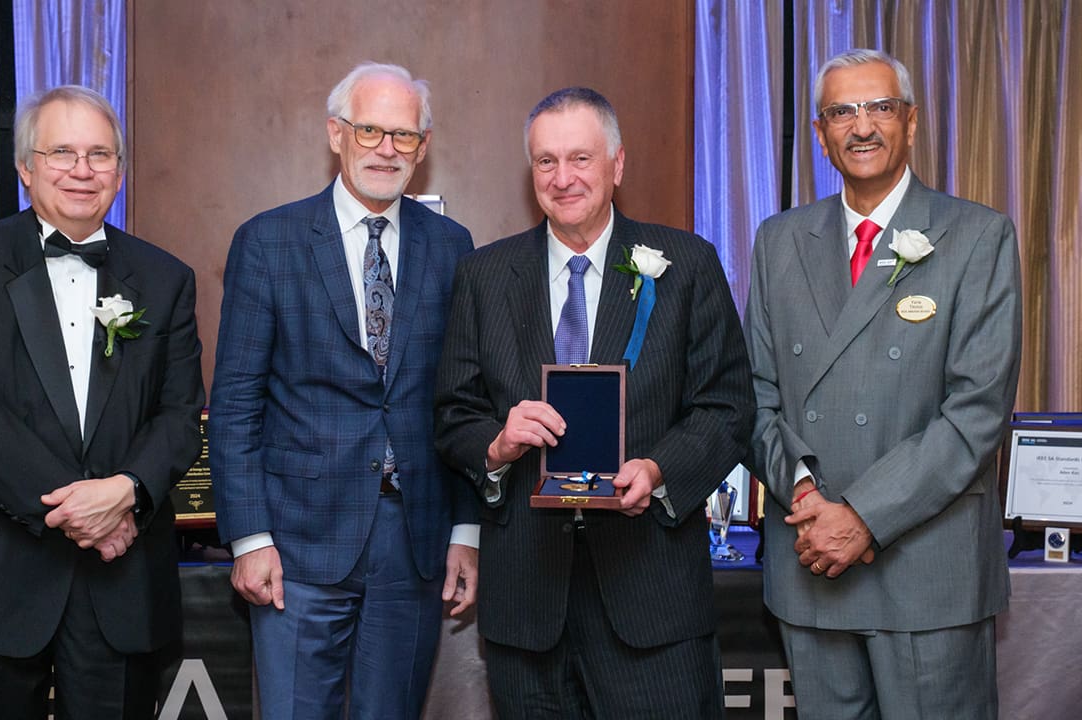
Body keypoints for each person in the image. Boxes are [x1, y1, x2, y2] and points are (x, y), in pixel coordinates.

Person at [434, 87, 755, 719]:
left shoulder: (686, 264)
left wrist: (660, 469)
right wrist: (496, 444)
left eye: (580, 158)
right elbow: (453, 414)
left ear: (617, 165)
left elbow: (727, 407)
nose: (563, 177)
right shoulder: (485, 275)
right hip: (528, 604)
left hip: (652, 596)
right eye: (546, 161)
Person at [0, 84, 205, 718]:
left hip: (120, 583)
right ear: (25, 167)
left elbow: (180, 415)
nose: (81, 170)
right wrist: (83, 509)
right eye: (61, 152)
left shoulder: (166, 278)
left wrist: (126, 489)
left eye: (100, 155)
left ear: (119, 172)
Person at [746, 48, 1021, 719]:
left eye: (879, 107)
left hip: (927, 573)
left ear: (912, 122)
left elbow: (976, 414)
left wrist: (863, 516)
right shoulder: (779, 240)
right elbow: (753, 392)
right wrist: (807, 493)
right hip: (812, 562)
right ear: (820, 133)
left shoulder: (978, 237)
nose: (861, 126)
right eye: (842, 111)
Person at [210, 62, 480, 720]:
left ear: (424, 146)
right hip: (296, 545)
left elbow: (466, 400)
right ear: (336, 134)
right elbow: (236, 407)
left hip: (412, 543)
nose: (387, 149)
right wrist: (248, 538)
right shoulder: (268, 241)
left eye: (404, 135)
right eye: (369, 131)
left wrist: (466, 529)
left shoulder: (453, 247)